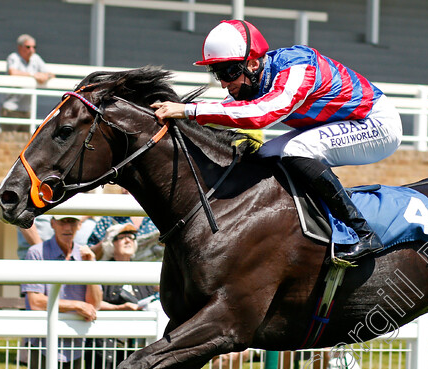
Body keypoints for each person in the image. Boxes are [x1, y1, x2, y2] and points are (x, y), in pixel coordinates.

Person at [151, 19, 403, 262]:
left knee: (296, 149)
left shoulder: (297, 68)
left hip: (375, 124)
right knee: (264, 155)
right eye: (218, 73)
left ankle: (363, 233)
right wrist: (178, 113)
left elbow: (261, 114)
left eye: (229, 71)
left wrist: (188, 111)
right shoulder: (254, 78)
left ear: (251, 64)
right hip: (339, 124)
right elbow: (223, 110)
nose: (225, 83)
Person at [19, 214, 101, 369]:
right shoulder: (37, 253)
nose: (68, 227)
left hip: (74, 343)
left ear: (79, 226)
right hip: (42, 343)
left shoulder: (84, 256)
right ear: (52, 224)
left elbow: (94, 303)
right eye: (62, 222)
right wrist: (75, 306)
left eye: (73, 223)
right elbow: (35, 301)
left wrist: (91, 268)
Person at [83, 224, 158, 369]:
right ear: (110, 244)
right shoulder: (102, 271)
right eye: (122, 237)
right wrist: (121, 309)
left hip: (133, 346)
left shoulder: (141, 273)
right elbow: (93, 302)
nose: (128, 240)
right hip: (103, 345)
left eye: (132, 237)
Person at [1, 34, 55, 132]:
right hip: (11, 109)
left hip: (27, 110)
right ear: (20, 47)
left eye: (34, 47)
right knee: (9, 141)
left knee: (26, 143)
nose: (31, 50)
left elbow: (51, 74)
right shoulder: (14, 57)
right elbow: (13, 72)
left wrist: (45, 76)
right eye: (28, 47)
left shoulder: (36, 58)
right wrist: (34, 75)